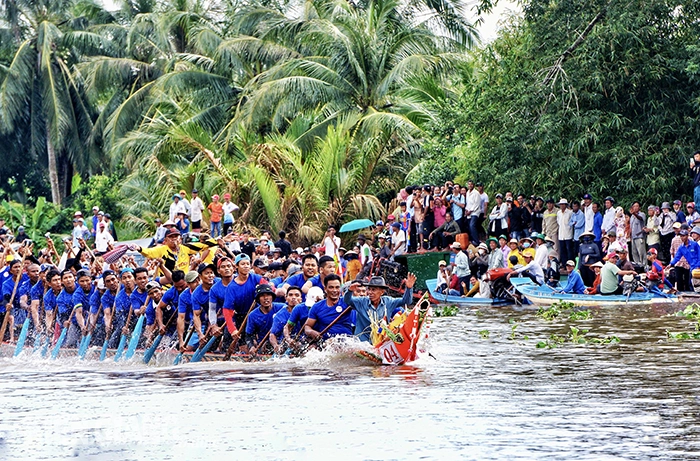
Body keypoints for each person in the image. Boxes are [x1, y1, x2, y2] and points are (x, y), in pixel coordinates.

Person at [344, 274, 415, 342]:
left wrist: (409, 288)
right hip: (362, 342)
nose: (370, 292)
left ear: (382, 292)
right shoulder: (361, 302)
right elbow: (347, 300)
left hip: (381, 341)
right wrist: (350, 291)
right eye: (369, 289)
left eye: (373, 290)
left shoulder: (388, 302)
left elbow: (406, 301)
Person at [304, 274, 352, 341]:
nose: (334, 290)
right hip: (327, 343)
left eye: (337, 287)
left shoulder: (348, 302)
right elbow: (307, 327)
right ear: (325, 289)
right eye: (331, 287)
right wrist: (312, 332)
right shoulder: (317, 307)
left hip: (348, 341)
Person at [245, 284, 286, 355]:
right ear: (258, 299)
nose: (266, 298)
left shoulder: (282, 308)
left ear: (272, 297)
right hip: (264, 346)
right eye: (262, 296)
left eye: (268, 295)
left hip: (282, 342)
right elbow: (249, 335)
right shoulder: (252, 315)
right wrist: (251, 347)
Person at [269, 286, 303, 353]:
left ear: (301, 299)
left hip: (302, 343)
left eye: (297, 295)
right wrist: (276, 346)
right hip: (286, 346)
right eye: (290, 295)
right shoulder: (279, 315)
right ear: (286, 298)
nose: (293, 297)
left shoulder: (307, 311)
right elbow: (272, 334)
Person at [557, 198, 573, 267]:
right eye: (560, 204)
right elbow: (558, 222)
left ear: (566, 205)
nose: (562, 206)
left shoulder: (570, 212)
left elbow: (571, 223)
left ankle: (570, 264)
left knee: (569, 250)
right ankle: (564, 265)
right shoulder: (558, 213)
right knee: (562, 251)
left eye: (563, 204)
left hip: (568, 234)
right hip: (561, 234)